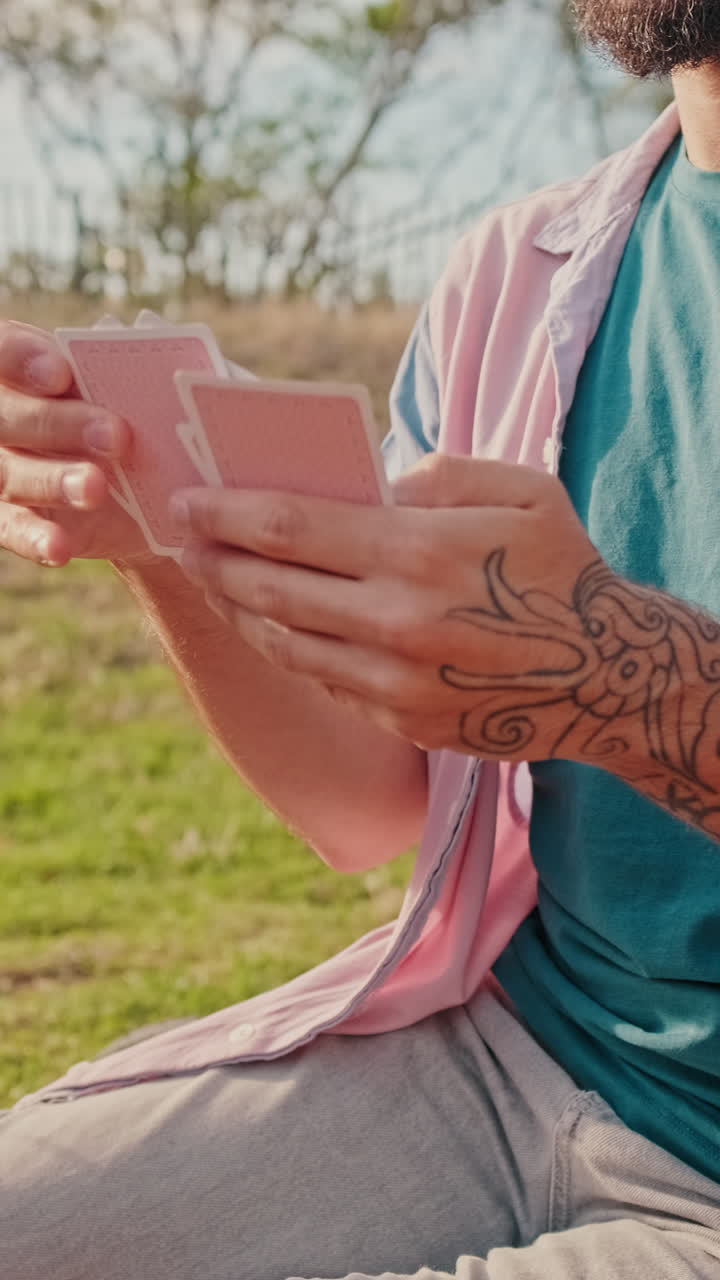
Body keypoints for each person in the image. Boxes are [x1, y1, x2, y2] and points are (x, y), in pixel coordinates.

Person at [2, 2, 720, 1276]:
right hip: (506, 1057)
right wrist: (165, 542)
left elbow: (602, 681)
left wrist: (622, 680)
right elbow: (371, 802)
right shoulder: (525, 274)